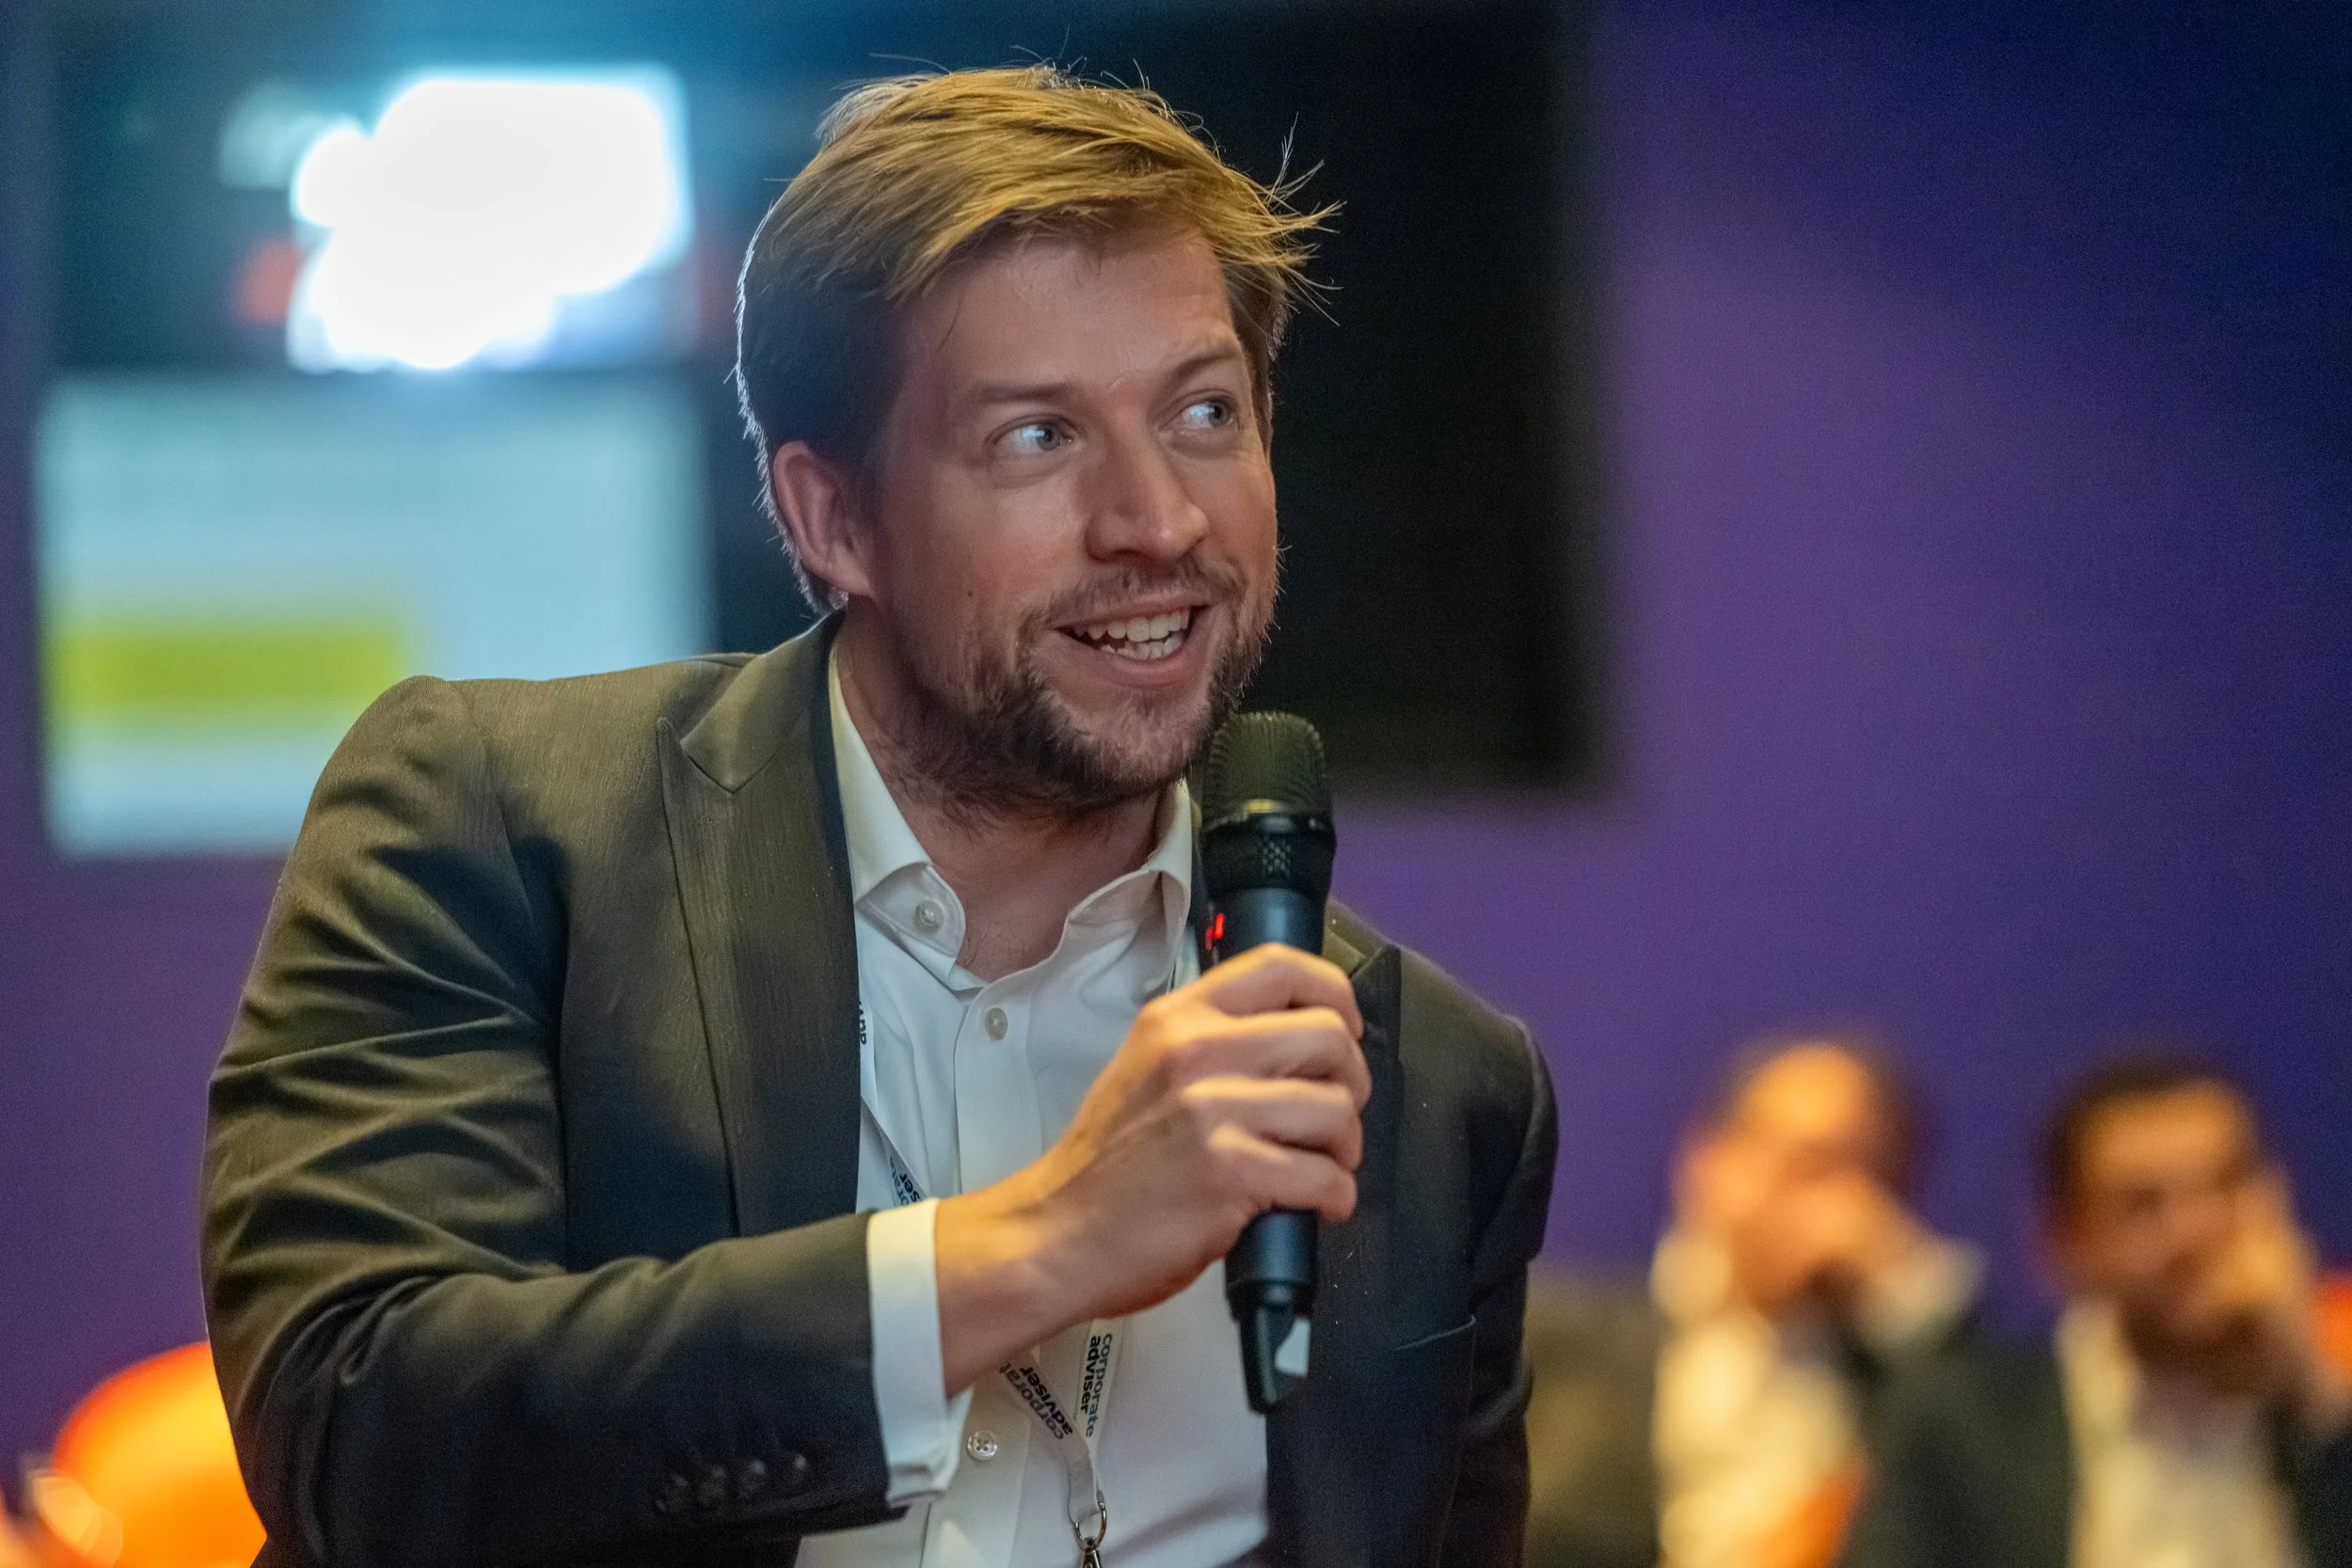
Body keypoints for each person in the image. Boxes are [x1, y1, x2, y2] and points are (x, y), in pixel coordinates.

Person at [199, 66, 1556, 1568]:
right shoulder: (509, 828)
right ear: (832, 517)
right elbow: (360, 1424)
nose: (1158, 519)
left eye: (1203, 411)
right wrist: (1041, 1242)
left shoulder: (1444, 1091)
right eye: (1037, 436)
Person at [1842, 1056, 2352, 1568]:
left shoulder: (2323, 1404)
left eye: (2227, 1184)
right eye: (2143, 1204)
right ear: (2064, 1244)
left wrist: (2312, 1395)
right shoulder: (1965, 1427)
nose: (2196, 1231)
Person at [1523, 1033, 1979, 1568]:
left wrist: (1915, 1294)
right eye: (1808, 1164)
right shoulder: (1554, 1335)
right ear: (1707, 1160)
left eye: (1873, 1177)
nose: (1837, 1208)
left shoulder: (1904, 1384)